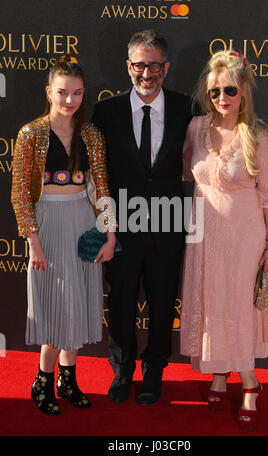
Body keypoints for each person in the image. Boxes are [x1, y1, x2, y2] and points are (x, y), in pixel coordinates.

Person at [180, 50, 268, 430]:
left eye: (229, 90)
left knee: (240, 307)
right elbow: (186, 170)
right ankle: (219, 374)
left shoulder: (257, 137)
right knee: (211, 304)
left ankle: (251, 383)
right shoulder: (195, 127)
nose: (221, 97)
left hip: (245, 237)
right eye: (214, 91)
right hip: (204, 235)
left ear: (243, 92)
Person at [11, 56, 117, 415]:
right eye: (61, 92)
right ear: (48, 92)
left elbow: (102, 188)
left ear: (83, 94)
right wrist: (34, 242)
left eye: (76, 93)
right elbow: (20, 195)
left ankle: (68, 380)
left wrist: (110, 235)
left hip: (83, 221)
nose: (69, 100)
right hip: (49, 225)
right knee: (57, 307)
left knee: (79, 303)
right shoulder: (31, 134)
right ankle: (42, 380)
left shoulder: (91, 135)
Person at [92, 29, 192, 406]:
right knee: (119, 302)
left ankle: (154, 371)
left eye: (154, 65)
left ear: (165, 68)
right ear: (128, 66)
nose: (146, 74)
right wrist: (105, 226)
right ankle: (122, 370)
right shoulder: (107, 111)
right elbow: (98, 177)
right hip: (122, 226)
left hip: (168, 224)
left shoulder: (186, 108)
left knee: (164, 301)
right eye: (139, 65)